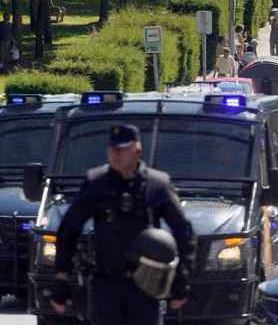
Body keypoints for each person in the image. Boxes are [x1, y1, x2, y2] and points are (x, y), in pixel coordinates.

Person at [52, 124, 196, 325]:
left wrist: (181, 279)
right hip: (106, 286)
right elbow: (69, 229)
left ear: (137, 150)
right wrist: (62, 277)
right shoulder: (96, 182)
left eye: (121, 149)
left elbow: (184, 232)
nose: (115, 154)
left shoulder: (157, 184)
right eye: (112, 149)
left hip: (146, 287)